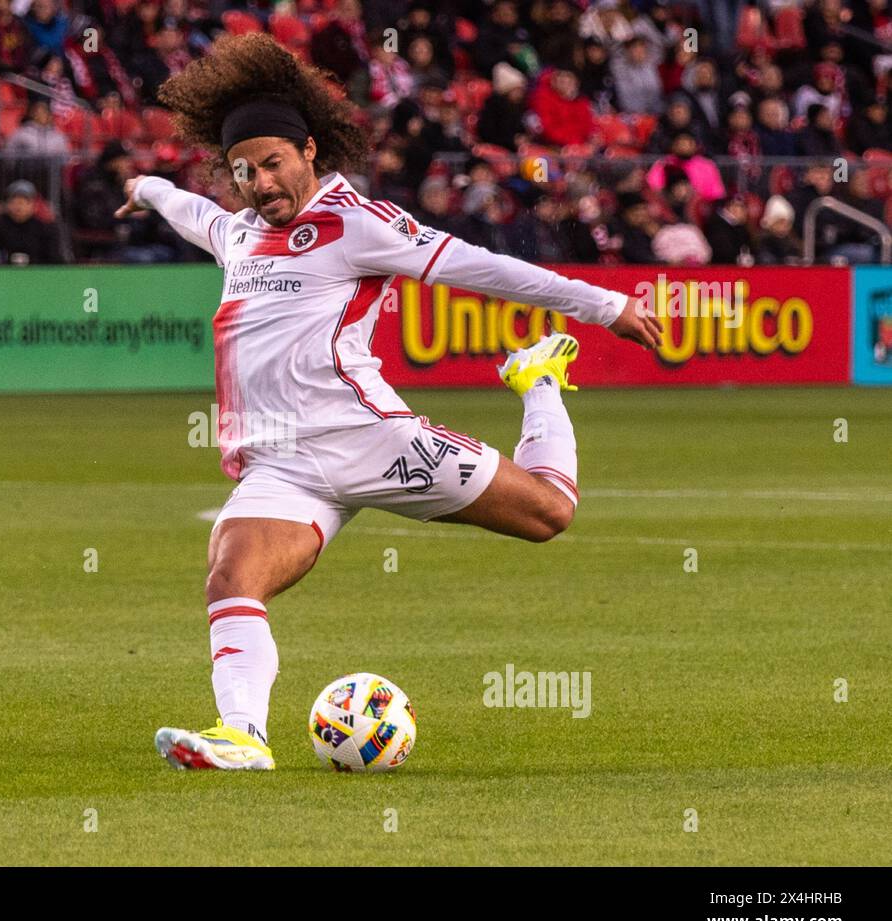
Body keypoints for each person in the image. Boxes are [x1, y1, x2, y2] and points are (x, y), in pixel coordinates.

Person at [119, 34, 657, 771]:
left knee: (549, 514)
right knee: (230, 577)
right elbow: (188, 211)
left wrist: (602, 306)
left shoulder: (359, 224)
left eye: (273, 163)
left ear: (309, 150)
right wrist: (147, 187)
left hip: (372, 440)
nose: (260, 183)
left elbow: (483, 267)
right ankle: (242, 735)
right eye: (243, 171)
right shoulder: (240, 234)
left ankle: (537, 382)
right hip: (284, 465)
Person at [0, 179, 64, 263]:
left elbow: (54, 259)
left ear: (33, 205)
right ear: (7, 204)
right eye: (14, 202)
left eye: (23, 202)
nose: (18, 207)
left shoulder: (45, 228)